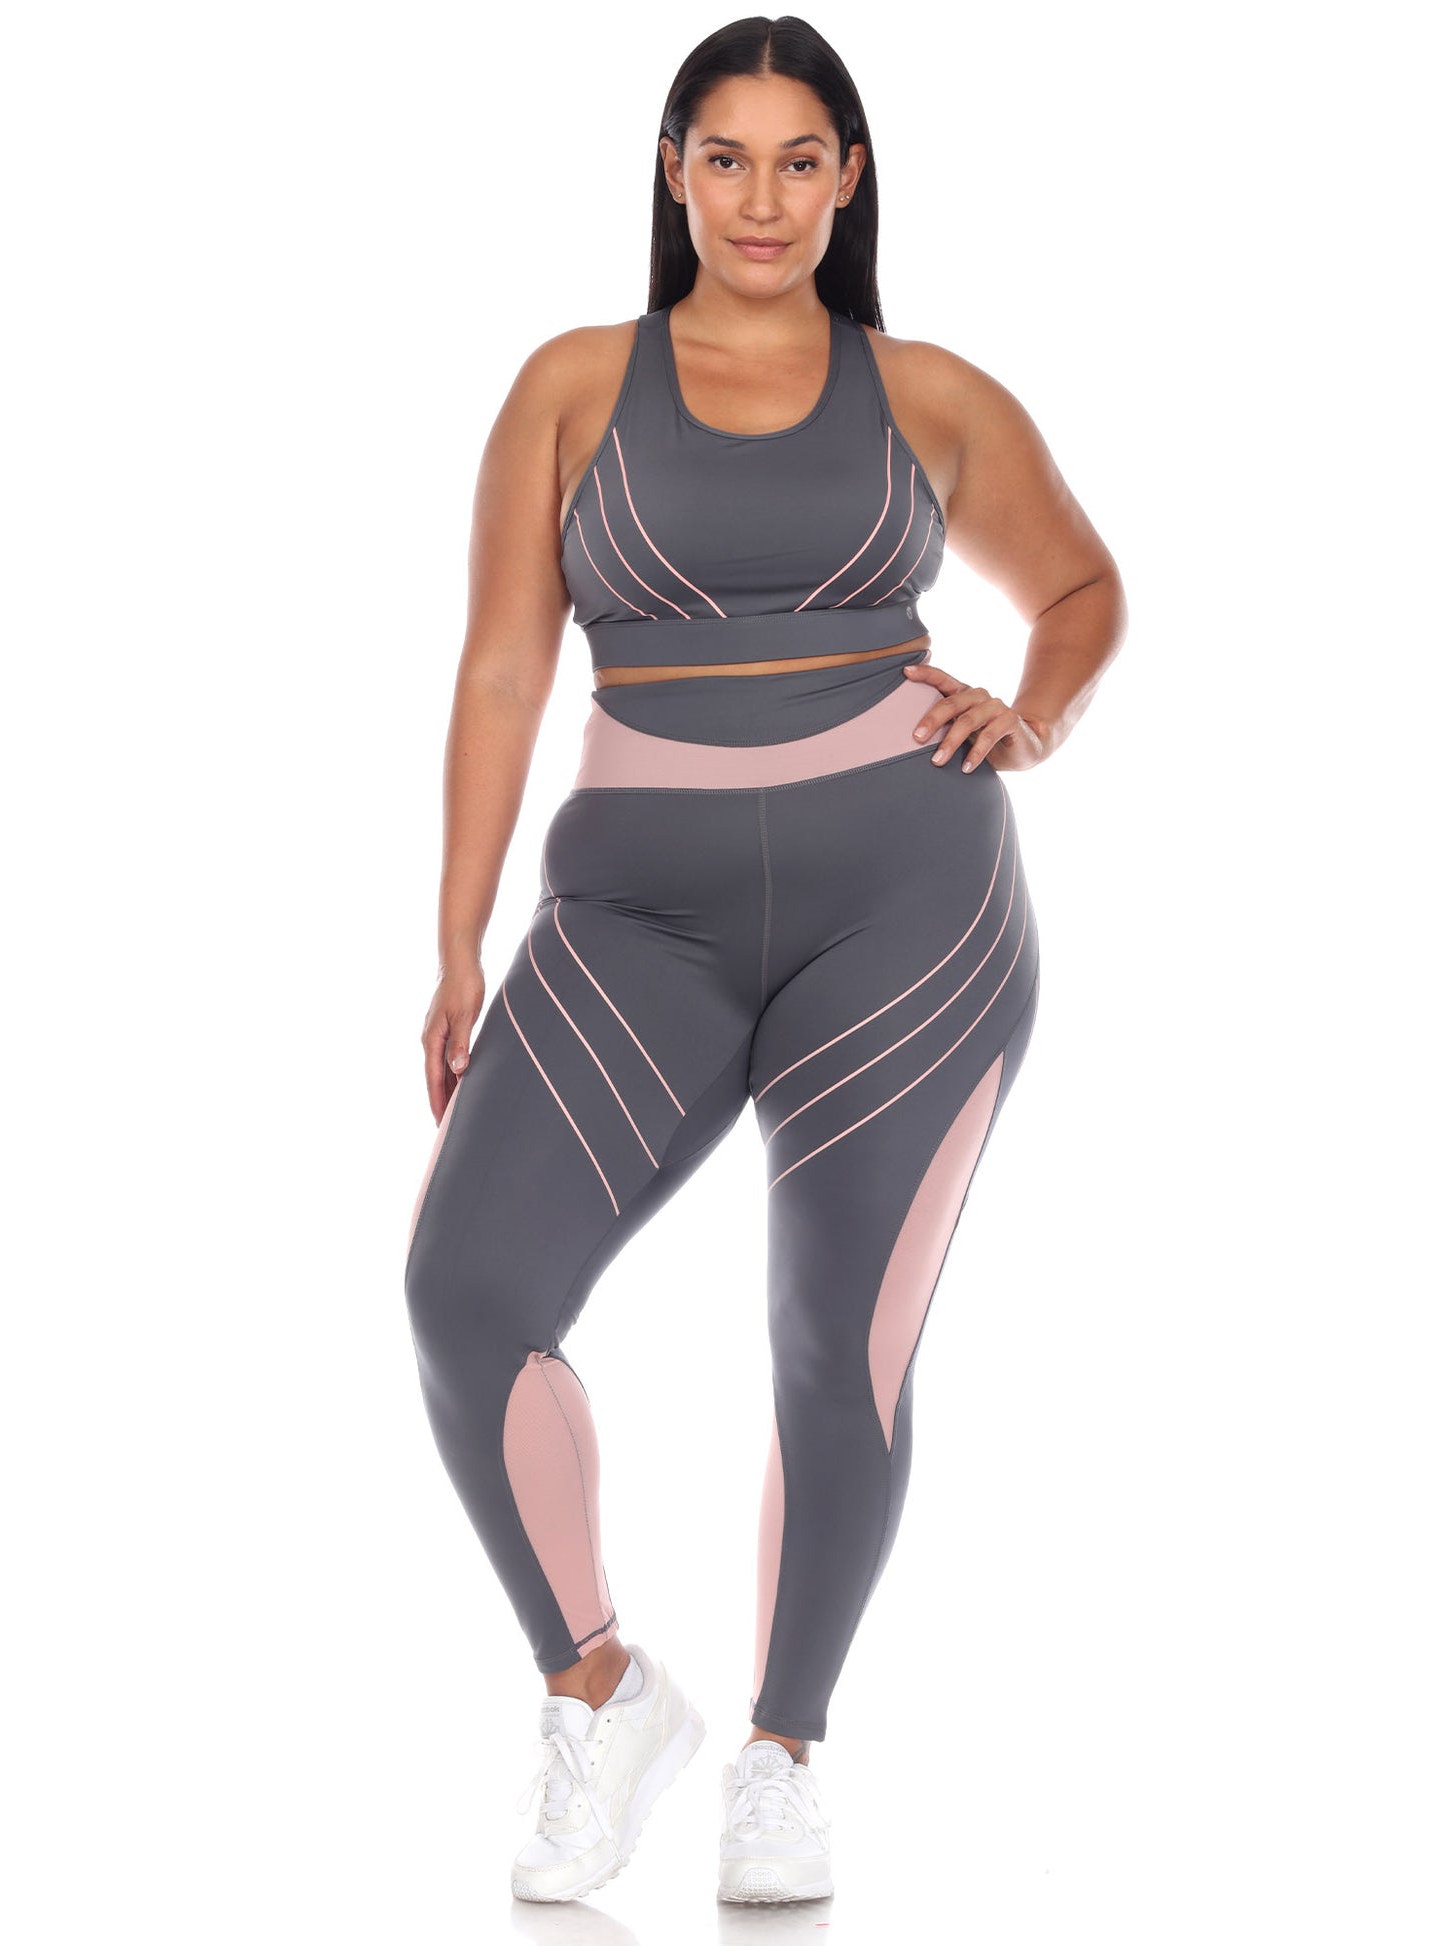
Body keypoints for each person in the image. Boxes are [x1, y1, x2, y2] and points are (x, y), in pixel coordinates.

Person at [400, 15, 1125, 1908]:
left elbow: (1079, 586)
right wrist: (459, 934)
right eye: (724, 157)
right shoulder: (572, 384)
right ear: (672, 171)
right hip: (632, 922)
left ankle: (784, 1754)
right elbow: (504, 663)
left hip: (910, 912)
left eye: (801, 160)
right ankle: (599, 1686)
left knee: (835, 1338)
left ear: (848, 180)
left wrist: (1033, 716)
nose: (761, 198)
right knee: (466, 1290)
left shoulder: (929, 394)